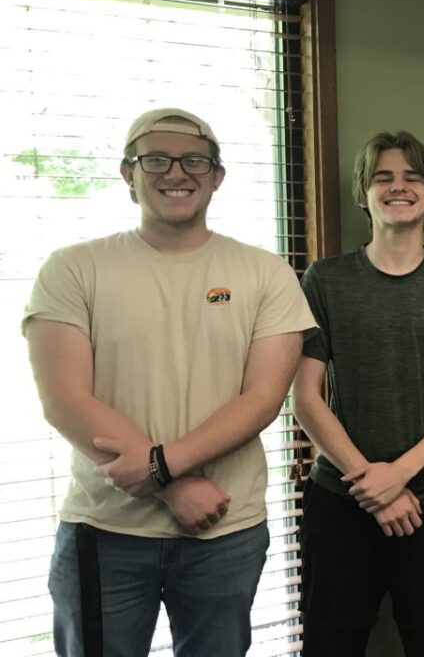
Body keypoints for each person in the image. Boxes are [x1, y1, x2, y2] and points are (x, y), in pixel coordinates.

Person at [22, 108, 318, 656]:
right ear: (128, 173)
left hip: (224, 530)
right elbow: (65, 399)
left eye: (194, 161)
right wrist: (173, 484)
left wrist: (158, 465)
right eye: (155, 159)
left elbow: (262, 398)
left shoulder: (266, 273)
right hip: (105, 531)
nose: (175, 173)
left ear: (217, 176)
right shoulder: (73, 268)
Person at [293, 131, 424, 657]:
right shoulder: (325, 280)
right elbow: (306, 398)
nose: (397, 187)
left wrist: (398, 474)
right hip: (341, 499)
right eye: (383, 177)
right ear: (364, 194)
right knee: (330, 646)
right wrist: (370, 483)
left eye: (412, 177)